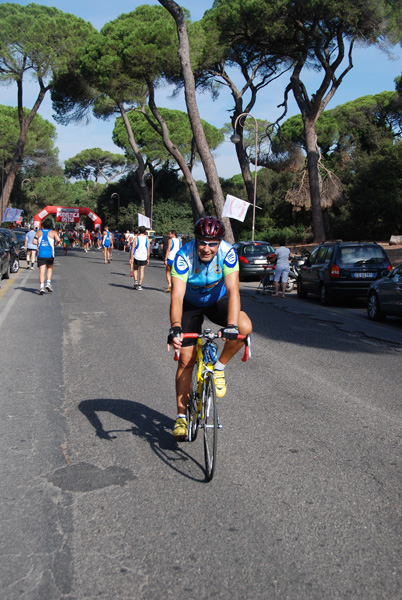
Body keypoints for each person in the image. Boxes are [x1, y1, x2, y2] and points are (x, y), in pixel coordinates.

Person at [167, 216, 252, 440]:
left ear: (219, 242)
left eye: (212, 243)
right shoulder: (184, 256)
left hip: (217, 301)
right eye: (202, 242)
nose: (207, 248)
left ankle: (219, 368)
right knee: (186, 360)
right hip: (190, 304)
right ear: (196, 241)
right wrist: (175, 326)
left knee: (245, 326)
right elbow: (176, 296)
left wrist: (232, 326)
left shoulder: (228, 252)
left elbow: (234, 291)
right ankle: (182, 417)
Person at [33, 218, 61, 295]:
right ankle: (48, 283)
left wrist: (38, 244)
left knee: (41, 271)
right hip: (50, 253)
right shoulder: (53, 232)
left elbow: (34, 241)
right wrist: (55, 245)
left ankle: (41, 287)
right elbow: (58, 240)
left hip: (41, 253)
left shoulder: (39, 232)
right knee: (49, 268)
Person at [130, 226, 150, 290]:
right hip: (144, 257)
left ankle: (135, 281)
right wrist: (148, 258)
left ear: (139, 231)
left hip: (136, 256)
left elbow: (132, 248)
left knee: (135, 269)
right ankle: (139, 285)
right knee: (142, 270)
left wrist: (131, 258)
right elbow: (148, 249)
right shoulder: (147, 238)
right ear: (145, 231)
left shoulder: (136, 238)